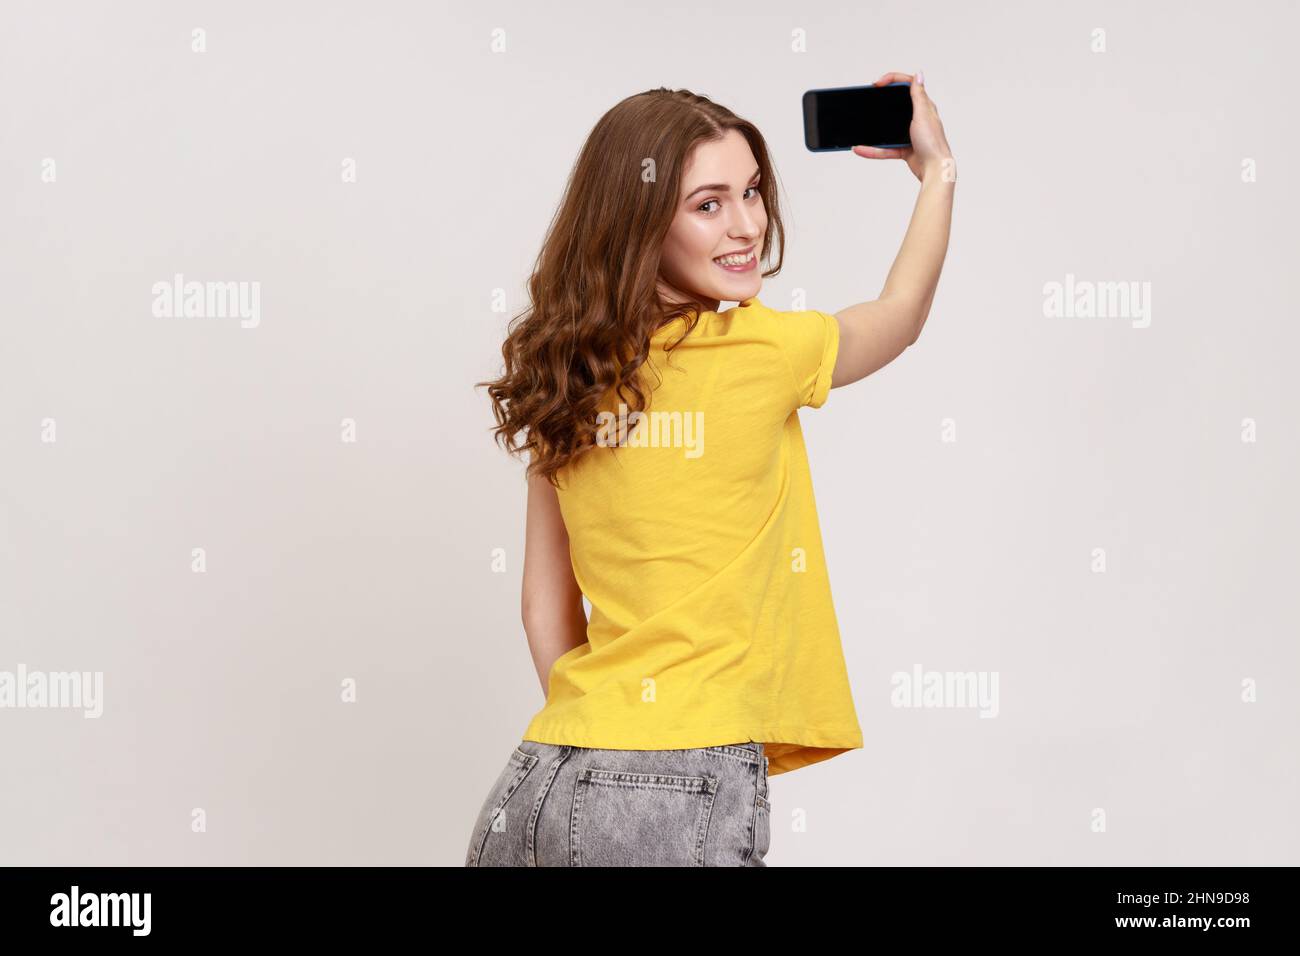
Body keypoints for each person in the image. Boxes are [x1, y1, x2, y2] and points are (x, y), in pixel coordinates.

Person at [469, 71, 955, 866]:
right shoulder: (761, 350)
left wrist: (608, 739)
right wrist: (938, 174)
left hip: (538, 784)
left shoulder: (564, 379)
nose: (747, 227)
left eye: (753, 193)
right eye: (708, 204)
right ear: (639, 225)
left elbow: (541, 609)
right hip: (676, 785)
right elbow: (898, 317)